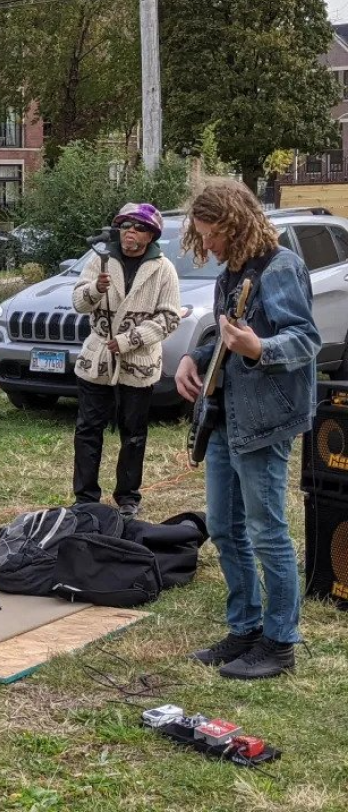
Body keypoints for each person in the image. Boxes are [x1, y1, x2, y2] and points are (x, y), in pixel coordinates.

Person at [175, 180, 319, 680]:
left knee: (267, 533)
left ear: (233, 224)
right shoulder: (231, 273)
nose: (207, 245)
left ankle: (279, 643)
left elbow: (305, 339)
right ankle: (244, 629)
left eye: (211, 235)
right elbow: (220, 332)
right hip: (225, 415)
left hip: (265, 418)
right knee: (224, 528)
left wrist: (261, 349)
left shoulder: (281, 267)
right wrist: (193, 358)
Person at [71, 203, 181, 519]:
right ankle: (85, 496)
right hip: (98, 358)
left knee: (133, 431)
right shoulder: (100, 260)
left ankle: (128, 496)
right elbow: (78, 303)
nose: (131, 232)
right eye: (126, 225)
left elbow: (170, 318)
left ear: (151, 235)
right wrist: (95, 289)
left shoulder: (163, 269)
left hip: (139, 360)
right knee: (88, 428)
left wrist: (130, 340)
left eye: (140, 227)